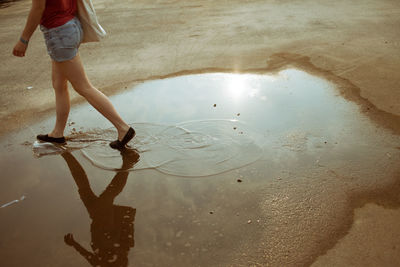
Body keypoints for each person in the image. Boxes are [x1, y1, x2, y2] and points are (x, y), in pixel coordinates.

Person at [12, 0, 135, 149]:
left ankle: (123, 128)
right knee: (59, 84)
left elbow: (38, 9)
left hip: (59, 33)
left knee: (83, 87)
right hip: (70, 26)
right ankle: (57, 133)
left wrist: (23, 40)